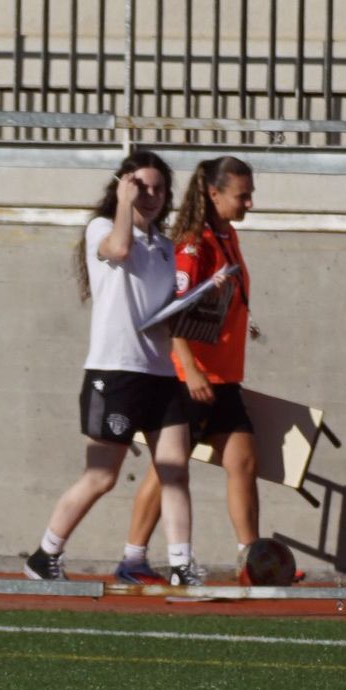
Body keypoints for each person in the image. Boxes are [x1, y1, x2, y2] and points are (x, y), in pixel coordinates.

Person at [24, 150, 206, 587]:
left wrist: (203, 304)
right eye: (140, 186)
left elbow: (164, 311)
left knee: (175, 469)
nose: (151, 195)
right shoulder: (102, 229)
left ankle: (182, 564)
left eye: (158, 188)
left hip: (160, 374)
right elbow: (119, 249)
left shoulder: (165, 248)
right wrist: (124, 204)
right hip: (115, 371)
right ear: (122, 185)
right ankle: (44, 555)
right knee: (102, 476)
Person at [115, 156, 260, 584]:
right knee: (168, 471)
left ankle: (251, 561)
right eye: (242, 195)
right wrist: (191, 369)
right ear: (214, 194)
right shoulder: (193, 244)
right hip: (189, 379)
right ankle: (133, 556)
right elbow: (172, 311)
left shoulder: (226, 235)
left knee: (245, 462)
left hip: (224, 377)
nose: (249, 203)